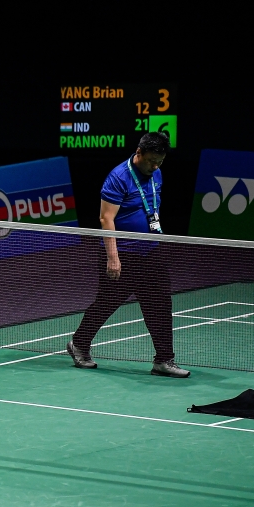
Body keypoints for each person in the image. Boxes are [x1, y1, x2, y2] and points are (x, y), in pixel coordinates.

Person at [66, 132, 190, 378]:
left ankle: (164, 360)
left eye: (160, 162)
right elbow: (106, 218)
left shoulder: (157, 174)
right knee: (107, 303)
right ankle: (79, 344)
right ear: (139, 152)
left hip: (151, 252)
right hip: (123, 254)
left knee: (160, 305)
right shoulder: (118, 177)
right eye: (151, 161)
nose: (155, 166)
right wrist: (113, 258)